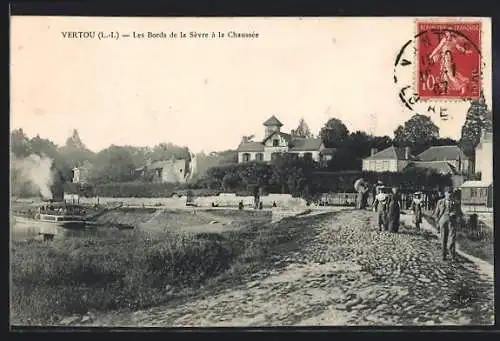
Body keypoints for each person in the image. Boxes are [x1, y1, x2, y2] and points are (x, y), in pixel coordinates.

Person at [434, 187, 462, 261]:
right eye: (447, 192)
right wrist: (437, 223)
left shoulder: (456, 202)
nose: (449, 194)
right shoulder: (440, 202)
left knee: (452, 239)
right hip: (443, 222)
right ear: (445, 193)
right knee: (443, 239)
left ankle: (452, 256)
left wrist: (455, 214)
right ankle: (443, 255)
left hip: (452, 223)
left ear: (452, 194)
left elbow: (460, 213)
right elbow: (436, 214)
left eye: (450, 192)